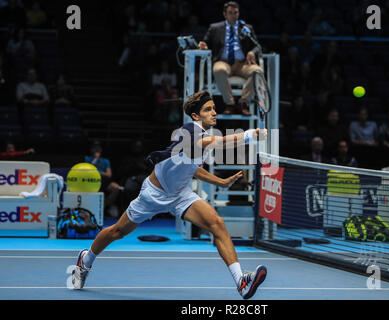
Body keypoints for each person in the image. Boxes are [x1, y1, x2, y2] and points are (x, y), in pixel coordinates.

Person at [72, 91, 268, 299]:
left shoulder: (201, 136)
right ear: (195, 115)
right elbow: (215, 143)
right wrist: (250, 135)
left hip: (180, 194)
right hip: (154, 194)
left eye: (213, 108)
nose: (214, 112)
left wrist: (221, 181)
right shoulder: (190, 130)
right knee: (117, 231)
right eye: (207, 109)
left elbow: (191, 167)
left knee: (216, 224)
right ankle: (85, 261)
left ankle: (241, 282)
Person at [198, 1, 263, 115]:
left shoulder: (246, 28)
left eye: (236, 12)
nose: (233, 15)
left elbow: (257, 46)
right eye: (230, 12)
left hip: (243, 64)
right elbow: (205, 43)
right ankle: (230, 103)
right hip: (224, 62)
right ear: (225, 14)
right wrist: (203, 45)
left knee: (257, 71)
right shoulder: (215, 28)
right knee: (219, 70)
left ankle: (243, 103)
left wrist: (252, 52)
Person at [85, 141, 123, 218]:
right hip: (92, 181)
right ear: (91, 149)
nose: (96, 150)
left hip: (104, 180)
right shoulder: (87, 159)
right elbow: (88, 171)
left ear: (101, 149)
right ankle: (96, 209)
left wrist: (97, 172)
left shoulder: (105, 161)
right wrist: (95, 159)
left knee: (116, 188)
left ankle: (103, 208)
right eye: (94, 148)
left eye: (98, 148)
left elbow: (109, 174)